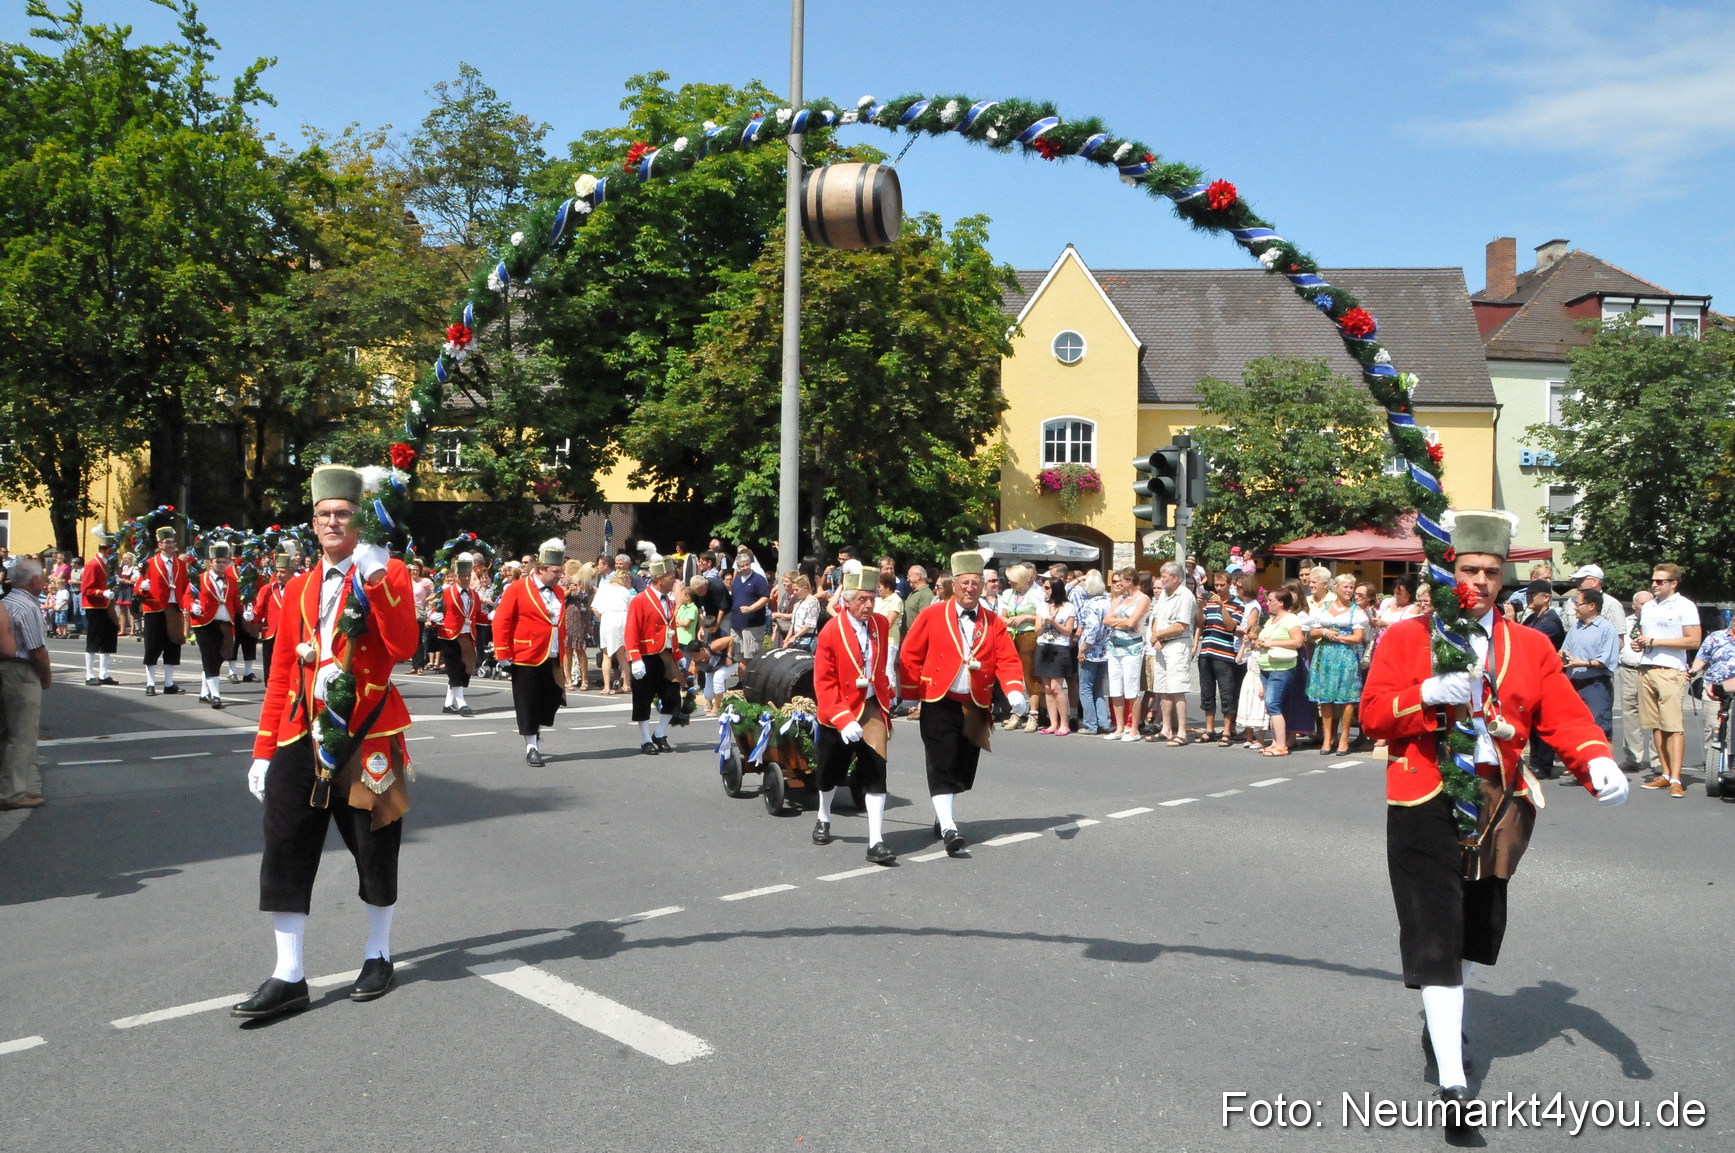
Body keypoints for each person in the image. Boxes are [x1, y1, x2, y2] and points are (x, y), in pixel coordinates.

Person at [1360, 511, 1626, 1140]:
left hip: (1497, 798)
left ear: (1503, 576)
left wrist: (1597, 760)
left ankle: (1441, 1021)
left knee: (1474, 926)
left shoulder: (1530, 645)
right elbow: (1373, 716)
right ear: (1447, 572)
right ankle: (1453, 1083)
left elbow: (1562, 715)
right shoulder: (1406, 638)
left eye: (1489, 571)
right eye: (1467, 570)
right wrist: (1425, 694)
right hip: (1424, 795)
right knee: (1434, 927)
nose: (1477, 581)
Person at [236, 464, 418, 1021]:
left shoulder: (389, 574)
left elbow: (404, 645)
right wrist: (264, 748)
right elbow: (282, 669)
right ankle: (288, 973)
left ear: (359, 521)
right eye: (323, 515)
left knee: (373, 843)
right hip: (300, 731)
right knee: (285, 843)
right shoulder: (297, 587)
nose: (332, 521)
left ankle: (377, 954)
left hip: (369, 729)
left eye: (342, 513)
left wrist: (380, 580)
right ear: (313, 524)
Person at [897, 549, 1028, 857]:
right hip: (938, 700)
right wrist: (909, 691)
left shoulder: (993, 622)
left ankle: (942, 814)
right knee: (941, 761)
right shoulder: (932, 614)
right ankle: (949, 828)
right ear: (953, 585)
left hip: (975, 705)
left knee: (961, 768)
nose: (970, 588)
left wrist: (1014, 691)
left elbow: (1007, 659)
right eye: (964, 583)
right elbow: (910, 653)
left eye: (975, 583)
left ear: (982, 586)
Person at [811, 565, 897, 864]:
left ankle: (876, 841)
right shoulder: (830, 632)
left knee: (876, 769)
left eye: (872, 598)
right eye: (862, 599)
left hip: (872, 706)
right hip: (838, 711)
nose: (869, 605)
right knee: (829, 772)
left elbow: (881, 664)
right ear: (846, 601)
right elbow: (823, 681)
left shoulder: (881, 625)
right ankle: (823, 816)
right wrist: (842, 718)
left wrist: (888, 689)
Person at [495, 540, 571, 766]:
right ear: (540, 570)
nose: (560, 576)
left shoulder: (558, 591)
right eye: (555, 571)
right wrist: (502, 652)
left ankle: (536, 729)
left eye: (560, 571)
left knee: (552, 698)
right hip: (525, 653)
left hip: (553, 653)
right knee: (528, 700)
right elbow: (502, 620)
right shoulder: (517, 588)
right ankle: (531, 745)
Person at [1635, 564, 1700, 798]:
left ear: (1674, 583)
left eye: (1660, 581)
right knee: (1655, 724)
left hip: (1671, 670)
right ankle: (1665, 772)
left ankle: (1676, 778)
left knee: (1673, 726)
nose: (1655, 584)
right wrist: (1641, 643)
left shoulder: (1685, 606)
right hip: (1647, 667)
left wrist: (1655, 641)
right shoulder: (1649, 606)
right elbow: (1648, 638)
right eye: (1653, 580)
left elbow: (1693, 641)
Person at [1, 559, 51, 811]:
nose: (44, 581)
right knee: (22, 734)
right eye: (42, 577)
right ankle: (12, 792)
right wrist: (46, 676)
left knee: (4, 732)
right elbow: (37, 650)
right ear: (34, 581)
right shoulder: (28, 607)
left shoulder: (6, 602)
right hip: (21, 672)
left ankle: (7, 787)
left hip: (4, 669)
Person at [625, 557, 683, 755]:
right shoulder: (640, 600)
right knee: (643, 697)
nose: (674, 580)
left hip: (666, 655)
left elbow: (671, 627)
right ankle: (645, 738)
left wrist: (678, 653)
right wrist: (635, 658)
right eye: (670, 577)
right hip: (646, 655)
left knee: (673, 694)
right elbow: (631, 630)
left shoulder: (670, 600)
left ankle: (659, 733)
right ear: (659, 578)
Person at [1307, 573, 1368, 757]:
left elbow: (1358, 638)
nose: (1349, 590)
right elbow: (1312, 633)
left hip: (1345, 655)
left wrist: (1338, 637)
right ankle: (1327, 738)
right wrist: (1324, 632)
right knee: (1325, 697)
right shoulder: (1324, 608)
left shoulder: (1356, 611)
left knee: (1346, 698)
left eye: (1351, 587)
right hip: (1324, 654)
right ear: (1336, 588)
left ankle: (1344, 739)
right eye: (1346, 587)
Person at [1519, 579, 1568, 777]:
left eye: (1533, 595)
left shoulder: (1551, 621)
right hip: (1532, 677)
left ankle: (1545, 764)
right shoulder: (1532, 618)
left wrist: (1514, 618)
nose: (1528, 599)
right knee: (1532, 723)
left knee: (1544, 723)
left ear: (1546, 597)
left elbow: (1529, 638)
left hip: (1547, 678)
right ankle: (1536, 760)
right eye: (1527, 595)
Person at [1561, 587, 1621, 747]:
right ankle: (1579, 765)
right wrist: (1562, 656)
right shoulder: (1576, 628)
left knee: (1599, 728)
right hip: (1573, 683)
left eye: (1578, 604)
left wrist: (1581, 663)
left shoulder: (1607, 629)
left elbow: (1604, 660)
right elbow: (1565, 650)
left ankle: (1604, 767)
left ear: (1592, 606)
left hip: (1596, 684)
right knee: (1575, 727)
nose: (1575, 607)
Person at [186, 541, 241, 710]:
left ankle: (204, 694)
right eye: (218, 562)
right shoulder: (199, 578)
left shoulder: (232, 580)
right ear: (211, 562)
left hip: (225, 624)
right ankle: (216, 696)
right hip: (204, 623)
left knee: (219, 657)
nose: (221, 565)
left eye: (225, 562)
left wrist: (248, 610)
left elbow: (236, 601)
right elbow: (186, 597)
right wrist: (191, 607)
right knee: (209, 656)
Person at [136, 526, 190, 696]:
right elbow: (139, 584)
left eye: (173, 542)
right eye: (167, 542)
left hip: (174, 608)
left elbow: (186, 586)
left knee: (173, 646)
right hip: (155, 608)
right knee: (152, 646)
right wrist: (142, 588)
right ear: (160, 544)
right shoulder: (149, 563)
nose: (171, 545)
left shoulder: (181, 564)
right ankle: (150, 684)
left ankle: (169, 683)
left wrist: (188, 603)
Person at [1147, 561, 1197, 745]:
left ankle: (1181, 732)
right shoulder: (1164, 595)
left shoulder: (1185, 596)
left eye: (1164, 576)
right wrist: (1155, 635)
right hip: (1162, 645)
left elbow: (1181, 625)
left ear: (1175, 578)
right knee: (1163, 689)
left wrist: (1158, 634)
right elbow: (1157, 617)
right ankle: (1166, 728)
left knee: (1177, 688)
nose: (1161, 580)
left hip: (1178, 644)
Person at [1195, 570, 1244, 747]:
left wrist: (1223, 607)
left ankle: (1227, 731)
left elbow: (1231, 626)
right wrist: (1200, 607)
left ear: (1230, 584)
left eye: (1222, 585)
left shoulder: (1237, 604)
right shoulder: (1209, 602)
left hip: (1224, 653)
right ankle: (1209, 730)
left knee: (1227, 693)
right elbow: (1200, 624)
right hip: (1206, 651)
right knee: (1207, 693)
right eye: (1216, 585)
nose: (1219, 588)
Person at [1101, 568, 1149, 741]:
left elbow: (1132, 622)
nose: (1118, 584)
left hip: (1132, 649)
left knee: (1131, 688)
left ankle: (1134, 729)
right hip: (1114, 647)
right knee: (1115, 688)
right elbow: (1106, 620)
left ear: (1130, 581)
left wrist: (1120, 622)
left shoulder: (1143, 599)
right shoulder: (1120, 598)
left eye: (1121, 581)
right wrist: (1122, 623)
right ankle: (1119, 727)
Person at [998, 564, 1045, 733]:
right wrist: (1008, 621)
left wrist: (1027, 617)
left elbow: (1041, 616)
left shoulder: (1036, 594)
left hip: (1028, 635)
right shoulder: (1007, 594)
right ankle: (1016, 712)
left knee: (1030, 674)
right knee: (1013, 673)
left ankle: (1033, 713)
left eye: (1012, 581)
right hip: (1011, 635)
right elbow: (1001, 616)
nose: (1009, 584)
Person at [1687, 611, 1735, 773]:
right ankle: (1713, 762)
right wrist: (1693, 670)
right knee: (1713, 726)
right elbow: (1703, 656)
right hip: (1714, 688)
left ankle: (1732, 762)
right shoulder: (1717, 637)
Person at [435, 556, 483, 716]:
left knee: (465, 669)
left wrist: (491, 617)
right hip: (449, 635)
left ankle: (448, 704)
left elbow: (478, 615)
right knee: (454, 669)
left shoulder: (475, 595)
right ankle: (462, 703)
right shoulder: (445, 592)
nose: (466, 579)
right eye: (462, 576)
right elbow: (434, 610)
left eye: (468, 576)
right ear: (455, 577)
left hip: (468, 636)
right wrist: (432, 617)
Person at [1616, 589, 1656, 774]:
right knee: (1630, 713)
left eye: (1650, 602)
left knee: (1655, 713)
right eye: (1642, 603)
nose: (1646, 606)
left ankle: (1658, 760)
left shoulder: (1657, 621)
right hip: (1629, 670)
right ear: (1634, 606)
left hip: (1651, 670)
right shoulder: (1626, 622)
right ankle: (1633, 757)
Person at [1034, 576, 1077, 735]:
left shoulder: (1069, 607)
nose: (1044, 591)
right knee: (1047, 687)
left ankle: (1064, 723)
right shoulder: (1041, 607)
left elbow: (1067, 631)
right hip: (1043, 646)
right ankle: (1053, 723)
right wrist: (1044, 623)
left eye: (1047, 588)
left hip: (1060, 648)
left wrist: (1054, 623)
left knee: (1056, 687)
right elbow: (1036, 630)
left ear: (1055, 589)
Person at [1075, 571, 1111, 735]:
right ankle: (1103, 722)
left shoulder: (1091, 606)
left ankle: (1090, 724)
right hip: (1105, 651)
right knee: (1098, 689)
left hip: (1091, 652)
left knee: (1086, 689)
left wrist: (1083, 648)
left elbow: (1092, 628)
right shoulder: (1109, 602)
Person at [80, 541, 120, 685]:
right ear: (107, 550)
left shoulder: (108, 565)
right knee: (94, 639)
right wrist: (102, 593)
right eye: (114, 551)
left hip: (107, 605)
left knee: (108, 638)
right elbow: (86, 589)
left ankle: (104, 673)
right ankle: (89, 674)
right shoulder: (93, 565)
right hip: (95, 606)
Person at [254, 549, 293, 687]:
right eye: (277, 571)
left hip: (290, 632)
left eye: (282, 571)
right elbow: (259, 609)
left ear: (290, 572)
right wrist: (251, 615)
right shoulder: (267, 589)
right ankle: (270, 688)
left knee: (288, 664)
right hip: (271, 632)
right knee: (270, 664)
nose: (278, 575)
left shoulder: (298, 587)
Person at [729, 549, 772, 668]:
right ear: (738, 567)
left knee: (752, 655)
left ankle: (753, 682)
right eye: (742, 566)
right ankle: (741, 682)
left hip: (752, 624)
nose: (745, 567)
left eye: (747, 565)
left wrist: (751, 608)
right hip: (737, 623)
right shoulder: (737, 580)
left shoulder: (758, 579)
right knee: (739, 655)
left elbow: (765, 598)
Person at [563, 561, 595, 691]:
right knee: (568, 649)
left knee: (580, 649)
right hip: (569, 616)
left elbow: (588, 604)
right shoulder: (569, 581)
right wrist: (569, 591)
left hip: (582, 618)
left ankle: (585, 679)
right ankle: (568, 679)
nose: (592, 579)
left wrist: (588, 623)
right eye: (591, 576)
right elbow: (560, 596)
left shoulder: (589, 587)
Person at [784, 573, 820, 652]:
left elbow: (810, 624)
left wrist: (795, 636)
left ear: (805, 588)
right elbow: (793, 624)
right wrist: (787, 639)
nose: (794, 592)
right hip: (797, 638)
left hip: (807, 639)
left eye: (797, 590)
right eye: (793, 590)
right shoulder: (799, 603)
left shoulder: (813, 602)